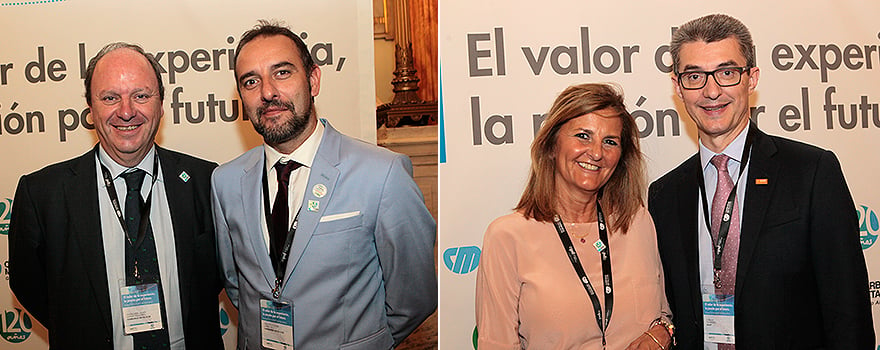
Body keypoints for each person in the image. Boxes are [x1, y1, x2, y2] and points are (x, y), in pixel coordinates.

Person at [648, 14, 874, 349]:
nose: (711, 91)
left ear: (751, 78)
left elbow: (848, 315)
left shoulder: (811, 172)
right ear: (678, 86)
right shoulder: (665, 194)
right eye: (695, 76)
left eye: (727, 73)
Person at [211, 20, 437, 349]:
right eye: (250, 81)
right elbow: (236, 284)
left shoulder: (382, 174)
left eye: (283, 72)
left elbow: (413, 297)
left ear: (313, 80)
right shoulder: (225, 182)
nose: (268, 92)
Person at [7, 42, 223, 349]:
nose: (126, 111)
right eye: (110, 97)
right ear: (91, 111)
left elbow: (216, 278)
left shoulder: (205, 181)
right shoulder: (42, 194)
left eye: (141, 96)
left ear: (161, 104)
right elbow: (29, 286)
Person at [476, 83, 674, 350]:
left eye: (610, 142)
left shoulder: (637, 222)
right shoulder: (507, 237)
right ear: (551, 145)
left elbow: (665, 316)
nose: (596, 153)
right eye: (583, 136)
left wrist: (660, 334)